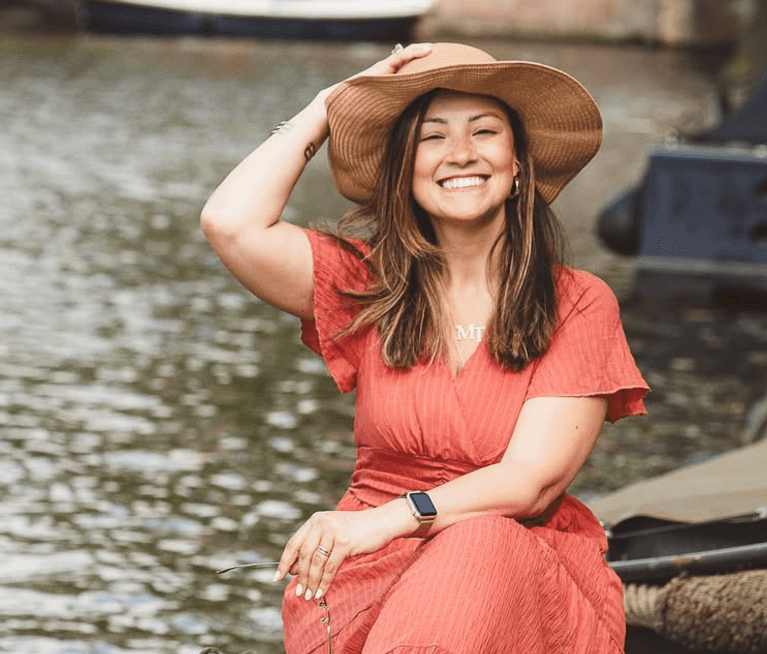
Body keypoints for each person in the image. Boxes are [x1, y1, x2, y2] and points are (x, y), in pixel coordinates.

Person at [200, 42, 649, 654]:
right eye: (432, 137)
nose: (461, 153)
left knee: (478, 543)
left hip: (514, 574)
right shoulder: (366, 285)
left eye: (485, 131)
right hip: (366, 572)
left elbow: (530, 482)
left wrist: (383, 520)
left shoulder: (578, 302)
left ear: (518, 164)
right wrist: (328, 106)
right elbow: (231, 222)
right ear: (403, 171)